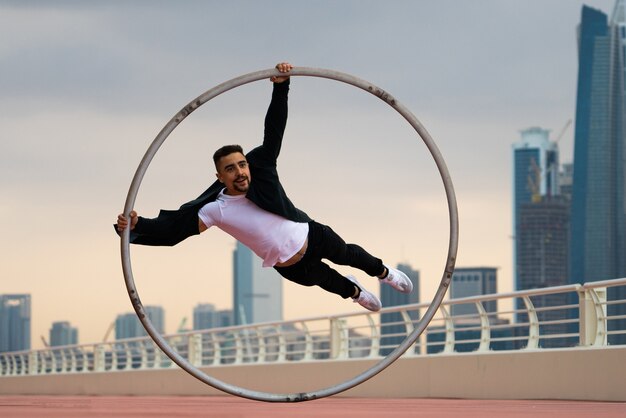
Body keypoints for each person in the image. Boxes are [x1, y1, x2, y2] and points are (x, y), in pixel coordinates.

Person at [116, 62, 413, 312]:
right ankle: (356, 293)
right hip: (288, 264)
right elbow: (175, 229)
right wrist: (137, 224)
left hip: (310, 234)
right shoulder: (215, 210)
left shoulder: (263, 169)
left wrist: (281, 86)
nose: (240, 172)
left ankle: (384, 273)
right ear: (220, 177)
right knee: (327, 281)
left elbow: (274, 129)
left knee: (348, 254)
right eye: (230, 169)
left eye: (242, 164)